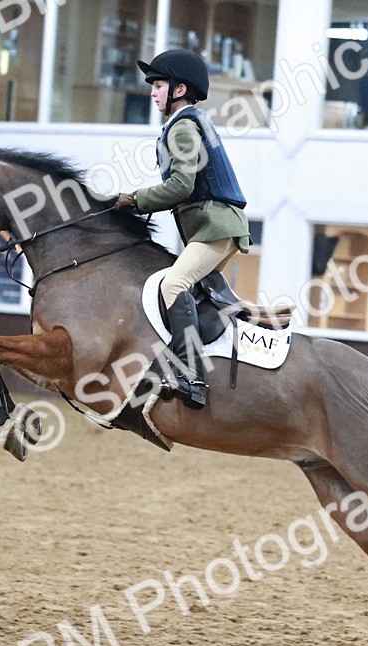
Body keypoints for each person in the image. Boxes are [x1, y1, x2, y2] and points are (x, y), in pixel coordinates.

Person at [114, 49, 251, 410]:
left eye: (158, 85)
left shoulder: (183, 127)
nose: (152, 92)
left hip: (215, 227)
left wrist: (135, 199)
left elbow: (181, 186)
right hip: (216, 225)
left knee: (173, 285)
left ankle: (191, 377)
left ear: (179, 89)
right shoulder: (188, 123)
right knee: (192, 292)